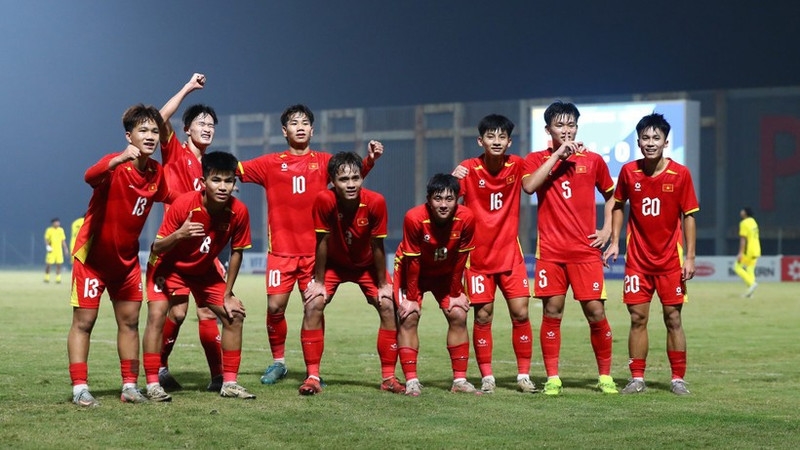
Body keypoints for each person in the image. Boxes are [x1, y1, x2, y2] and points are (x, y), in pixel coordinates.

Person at [236, 104, 382, 385]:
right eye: (294, 123)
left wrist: (370, 160)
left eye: (305, 123)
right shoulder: (269, 163)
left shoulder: (326, 162)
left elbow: (351, 176)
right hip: (280, 252)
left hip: (316, 253)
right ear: (284, 130)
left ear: (312, 130)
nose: (300, 127)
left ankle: (313, 371)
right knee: (275, 308)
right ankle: (278, 362)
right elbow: (234, 169)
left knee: (314, 308)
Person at [67, 104, 171, 407]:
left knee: (130, 323)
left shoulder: (156, 172)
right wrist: (117, 160)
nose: (150, 136)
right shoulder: (114, 164)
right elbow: (89, 176)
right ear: (129, 136)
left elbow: (173, 198)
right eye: (143, 130)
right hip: (93, 260)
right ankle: (80, 389)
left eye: (154, 131)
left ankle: (129, 387)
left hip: (125, 264)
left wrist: (203, 199)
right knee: (84, 322)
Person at [522, 101, 618, 396]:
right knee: (552, 312)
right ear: (548, 129)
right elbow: (529, 187)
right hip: (551, 252)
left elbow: (613, 196)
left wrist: (607, 230)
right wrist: (557, 156)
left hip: (585, 252)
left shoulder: (593, 160)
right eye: (560, 125)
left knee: (596, 312)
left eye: (571, 125)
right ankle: (553, 378)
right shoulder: (536, 159)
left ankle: (605, 376)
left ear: (577, 127)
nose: (566, 130)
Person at [143, 151, 255, 401]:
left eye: (228, 181)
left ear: (235, 183)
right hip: (167, 266)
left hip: (202, 270)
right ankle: (152, 383)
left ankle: (229, 383)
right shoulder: (184, 205)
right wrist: (179, 234)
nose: (223, 187)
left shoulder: (239, 212)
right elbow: (157, 247)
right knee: (160, 315)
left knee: (234, 315)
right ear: (204, 182)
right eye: (216, 180)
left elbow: (237, 252)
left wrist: (228, 294)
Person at [603, 112, 699, 396]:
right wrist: (615, 242)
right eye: (645, 138)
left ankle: (678, 379)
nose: (650, 142)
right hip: (637, 262)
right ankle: (637, 379)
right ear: (638, 141)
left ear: (666, 142)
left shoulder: (681, 174)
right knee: (637, 319)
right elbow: (618, 204)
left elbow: (689, 215)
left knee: (673, 318)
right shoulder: (628, 172)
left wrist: (690, 257)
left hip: (670, 261)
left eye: (656, 137)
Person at [299, 151, 400, 395]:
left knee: (388, 305)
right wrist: (319, 282)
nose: (351, 184)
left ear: (362, 178)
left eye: (356, 178)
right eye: (344, 179)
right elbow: (321, 241)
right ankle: (312, 377)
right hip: (333, 264)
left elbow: (378, 245)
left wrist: (382, 284)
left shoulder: (375, 201)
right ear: (333, 181)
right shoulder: (324, 200)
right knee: (313, 304)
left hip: (367, 265)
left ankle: (388, 378)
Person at [451, 114, 536, 394]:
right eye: (491, 136)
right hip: (477, 258)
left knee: (521, 313)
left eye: (502, 137)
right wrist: (452, 180)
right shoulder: (468, 168)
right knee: (483, 316)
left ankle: (523, 375)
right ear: (481, 141)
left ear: (509, 142)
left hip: (510, 254)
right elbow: (445, 202)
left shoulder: (518, 165)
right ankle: (487, 376)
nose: (496, 141)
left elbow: (537, 176)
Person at [155, 73, 225, 392]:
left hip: (203, 249)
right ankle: (159, 367)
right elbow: (159, 118)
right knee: (179, 311)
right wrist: (187, 88)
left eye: (211, 124)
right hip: (175, 245)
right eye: (201, 123)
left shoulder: (210, 169)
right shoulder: (174, 152)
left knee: (208, 310)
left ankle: (218, 377)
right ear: (187, 129)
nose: (207, 127)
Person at [394, 174, 479, 396]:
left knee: (458, 313)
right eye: (438, 198)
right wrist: (411, 298)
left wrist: (456, 293)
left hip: (445, 273)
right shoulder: (414, 218)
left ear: (457, 199)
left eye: (449, 199)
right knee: (409, 316)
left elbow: (461, 258)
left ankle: (459, 381)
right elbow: (412, 262)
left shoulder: (467, 218)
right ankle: (411, 381)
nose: (443, 204)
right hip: (412, 272)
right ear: (428, 200)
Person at [734, 207, 761, 297]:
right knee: (750, 269)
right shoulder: (753, 221)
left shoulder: (744, 223)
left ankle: (752, 284)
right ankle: (750, 293)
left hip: (748, 250)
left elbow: (743, 239)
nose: (740, 212)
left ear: (745, 213)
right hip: (756, 248)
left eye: (742, 210)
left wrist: (740, 253)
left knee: (737, 267)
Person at [44, 218, 69, 283]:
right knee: (48, 264)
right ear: (53, 223)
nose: (57, 223)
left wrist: (65, 249)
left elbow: (63, 240)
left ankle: (58, 279)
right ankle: (47, 278)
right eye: (56, 222)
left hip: (59, 250)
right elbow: (46, 239)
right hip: (51, 250)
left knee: (59, 265)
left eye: (58, 222)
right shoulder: (49, 230)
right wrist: (48, 246)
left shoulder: (61, 230)